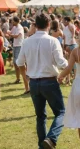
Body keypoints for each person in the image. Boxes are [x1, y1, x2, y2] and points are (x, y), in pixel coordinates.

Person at [16, 14, 68, 149]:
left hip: (33, 82)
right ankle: (51, 139)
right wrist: (72, 62)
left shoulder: (27, 41)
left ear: (35, 25)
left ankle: (42, 145)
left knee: (40, 116)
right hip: (49, 81)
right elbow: (61, 63)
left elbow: (19, 62)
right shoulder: (52, 41)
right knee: (61, 112)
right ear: (49, 25)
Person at [9, 17, 24, 84]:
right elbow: (11, 32)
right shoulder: (15, 27)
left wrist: (10, 34)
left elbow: (16, 36)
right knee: (15, 63)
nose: (12, 22)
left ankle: (24, 77)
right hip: (15, 46)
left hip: (19, 46)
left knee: (18, 63)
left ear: (16, 21)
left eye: (13, 21)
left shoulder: (20, 27)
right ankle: (18, 78)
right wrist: (9, 33)